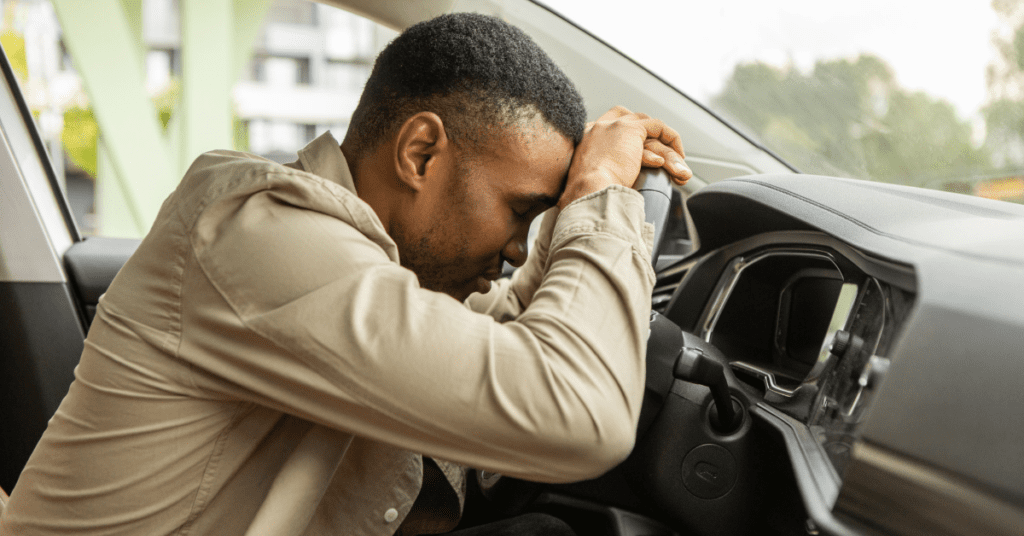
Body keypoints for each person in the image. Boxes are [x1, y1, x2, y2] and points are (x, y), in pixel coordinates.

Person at [0, 12, 691, 536]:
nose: (519, 246)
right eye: (520, 210)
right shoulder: (261, 235)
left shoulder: (378, 269)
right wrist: (600, 193)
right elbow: (577, 416)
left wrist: (580, 217)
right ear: (420, 154)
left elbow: (483, 357)